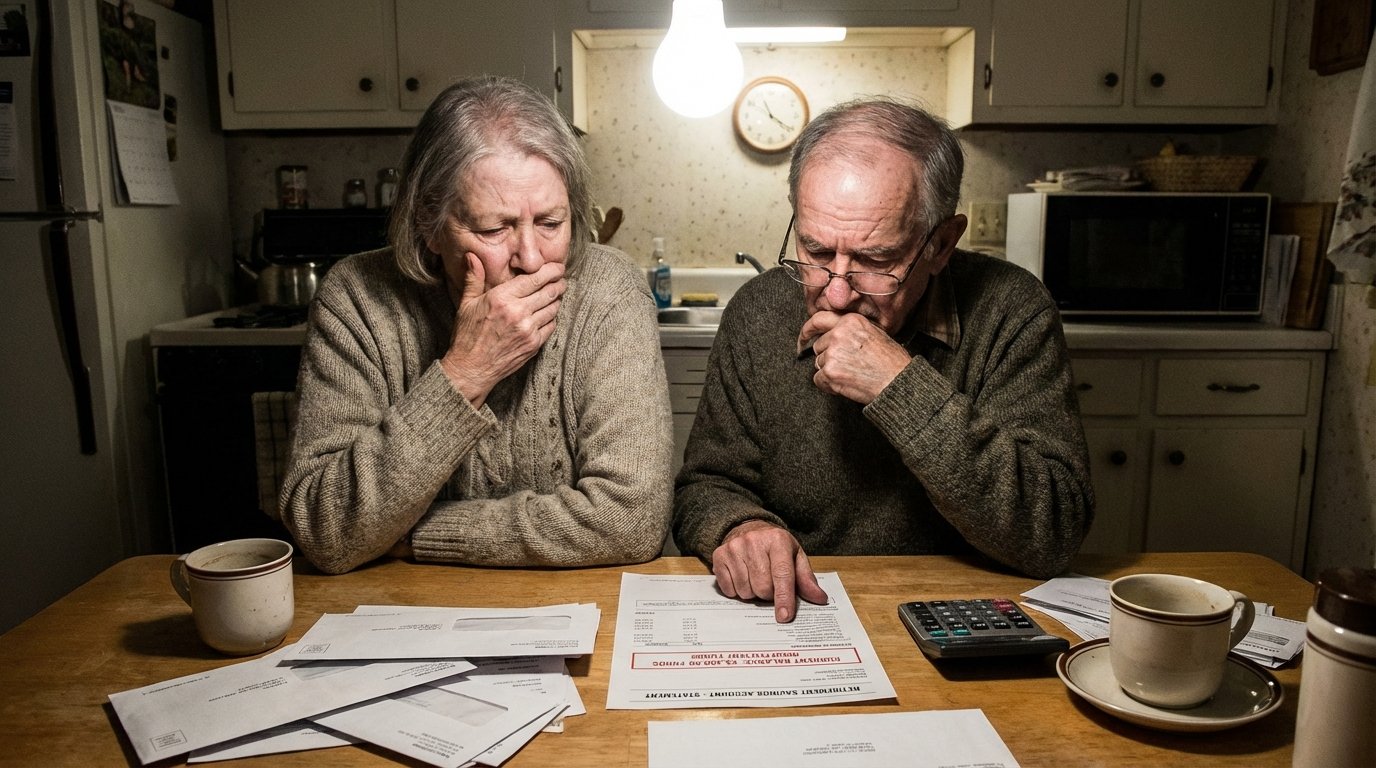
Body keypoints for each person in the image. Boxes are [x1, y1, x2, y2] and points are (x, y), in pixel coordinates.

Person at [672, 98, 1093, 622]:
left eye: (875, 261)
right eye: (816, 252)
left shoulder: (1012, 310)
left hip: (963, 614)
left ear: (941, 244)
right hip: (801, 616)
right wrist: (740, 527)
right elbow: (706, 485)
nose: (838, 293)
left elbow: (1052, 534)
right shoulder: (759, 309)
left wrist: (900, 387)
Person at [278, 76, 674, 574]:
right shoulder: (357, 297)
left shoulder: (609, 291)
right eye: (494, 229)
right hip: (401, 614)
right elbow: (324, 529)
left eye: (551, 223)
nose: (531, 258)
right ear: (429, 223)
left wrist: (415, 533)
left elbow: (631, 521)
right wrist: (465, 374)